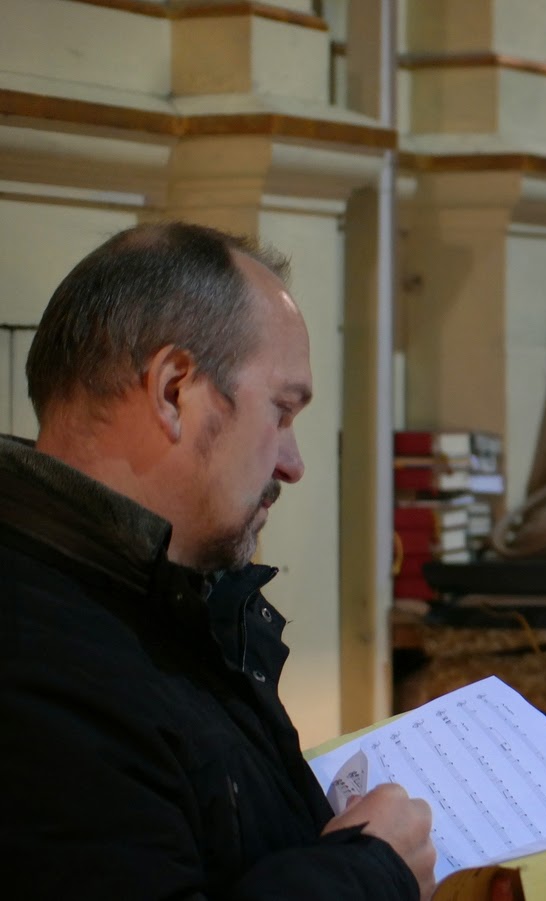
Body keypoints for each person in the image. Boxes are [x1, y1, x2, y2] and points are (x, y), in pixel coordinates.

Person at [0, 223, 437, 899]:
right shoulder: (43, 659)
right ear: (174, 390)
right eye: (281, 412)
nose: (293, 464)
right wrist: (372, 872)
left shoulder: (163, 597)